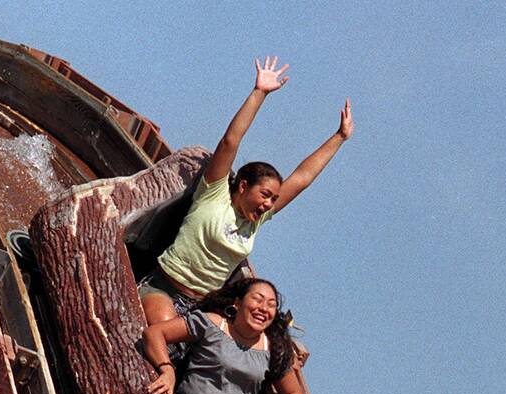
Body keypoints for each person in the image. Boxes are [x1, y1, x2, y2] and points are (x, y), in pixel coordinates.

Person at [138, 56, 353, 326]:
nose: (268, 204)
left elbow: (302, 178)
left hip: (201, 308)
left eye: (273, 199)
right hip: (163, 290)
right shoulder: (214, 194)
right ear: (242, 186)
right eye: (265, 195)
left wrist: (339, 138)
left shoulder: (256, 220)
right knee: (165, 326)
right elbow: (231, 140)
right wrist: (259, 93)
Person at [143, 277, 307, 394]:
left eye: (271, 305)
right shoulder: (213, 323)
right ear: (238, 303)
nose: (263, 308)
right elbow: (154, 333)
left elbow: (293, 393)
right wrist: (167, 369)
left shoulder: (272, 348)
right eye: (257, 299)